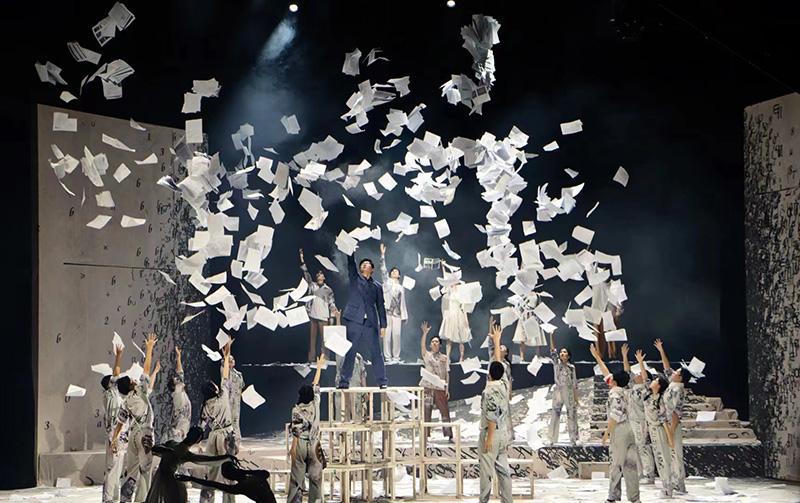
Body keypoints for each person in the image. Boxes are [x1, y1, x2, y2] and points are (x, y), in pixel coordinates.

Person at [589, 343, 640, 503]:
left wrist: (606, 433)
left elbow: (615, 416)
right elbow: (615, 374)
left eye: (612, 379)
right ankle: (635, 498)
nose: (609, 380)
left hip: (620, 430)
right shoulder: (628, 390)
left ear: (615, 382)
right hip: (632, 428)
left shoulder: (615, 394)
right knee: (631, 465)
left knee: (616, 464)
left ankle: (612, 497)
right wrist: (597, 357)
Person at [111, 333, 159, 503]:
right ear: (131, 384)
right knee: (145, 469)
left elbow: (120, 422)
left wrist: (114, 439)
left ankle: (125, 499)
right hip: (145, 433)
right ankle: (144, 499)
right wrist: (149, 348)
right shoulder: (139, 390)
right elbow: (146, 369)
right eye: (131, 379)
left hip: (132, 435)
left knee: (131, 471)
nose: (133, 379)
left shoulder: (125, 400)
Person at [337, 252, 388, 389]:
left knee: (376, 352)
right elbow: (351, 265)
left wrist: (383, 325)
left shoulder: (377, 286)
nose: (365, 265)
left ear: (372, 269)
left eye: (368, 264)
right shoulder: (355, 279)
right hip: (355, 320)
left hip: (370, 323)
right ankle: (344, 382)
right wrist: (350, 251)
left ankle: (382, 381)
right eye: (363, 264)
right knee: (351, 352)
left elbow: (380, 305)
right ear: (360, 269)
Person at [144, 427, 235, 503]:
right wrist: (226, 457)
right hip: (169, 481)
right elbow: (207, 459)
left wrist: (226, 457)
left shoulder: (174, 446)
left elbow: (207, 459)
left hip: (166, 479)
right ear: (197, 441)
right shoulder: (178, 449)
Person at [198, 340, 237, 503]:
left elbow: (201, 427)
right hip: (226, 436)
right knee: (229, 471)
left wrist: (198, 444)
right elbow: (225, 376)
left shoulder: (206, 405)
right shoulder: (223, 397)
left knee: (211, 472)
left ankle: (206, 501)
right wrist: (226, 357)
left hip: (213, 438)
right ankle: (229, 501)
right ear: (214, 389)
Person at [478, 322, 512, 503]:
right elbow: (499, 365)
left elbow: (491, 416)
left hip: (492, 433)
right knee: (503, 471)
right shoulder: (504, 385)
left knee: (486, 472)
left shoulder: (489, 391)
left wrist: (489, 438)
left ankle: (483, 501)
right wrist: (497, 341)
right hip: (504, 433)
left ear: (489, 375)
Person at [635, 350, 674, 498]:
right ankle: (665, 487)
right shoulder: (649, 395)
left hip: (659, 430)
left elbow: (663, 419)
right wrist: (640, 362)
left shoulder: (660, 400)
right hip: (651, 429)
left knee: (663, 458)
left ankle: (668, 488)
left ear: (659, 386)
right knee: (658, 458)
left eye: (656, 380)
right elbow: (645, 379)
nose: (652, 381)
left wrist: (669, 437)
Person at [288, 355, 325, 503]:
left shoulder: (296, 410)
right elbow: (316, 384)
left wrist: (293, 448)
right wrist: (319, 367)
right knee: (316, 479)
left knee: (297, 478)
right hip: (314, 444)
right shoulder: (315, 404)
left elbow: (296, 431)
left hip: (301, 445)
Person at [654, 339, 686, 494]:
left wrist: (671, 432)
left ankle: (679, 484)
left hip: (672, 425)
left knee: (675, 454)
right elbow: (667, 368)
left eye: (677, 373)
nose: (673, 373)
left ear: (680, 378)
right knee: (670, 454)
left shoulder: (677, 390)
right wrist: (661, 351)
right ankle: (673, 482)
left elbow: (676, 412)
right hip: (667, 424)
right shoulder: (672, 385)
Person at [621, 344, 656, 484]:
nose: (636, 374)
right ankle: (640, 473)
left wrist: (641, 363)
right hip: (631, 420)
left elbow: (646, 378)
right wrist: (624, 356)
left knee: (643, 447)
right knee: (636, 448)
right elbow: (627, 372)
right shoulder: (632, 387)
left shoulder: (646, 389)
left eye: (639, 373)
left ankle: (649, 475)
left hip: (641, 420)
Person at [299, 249, 336, 362]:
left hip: (323, 316)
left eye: (321, 274)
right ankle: (311, 359)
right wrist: (302, 260)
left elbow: (332, 303)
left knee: (324, 339)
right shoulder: (313, 286)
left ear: (324, 277)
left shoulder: (328, 290)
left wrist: (332, 317)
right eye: (317, 274)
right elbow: (306, 275)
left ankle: (325, 358)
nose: (318, 275)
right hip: (313, 315)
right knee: (312, 339)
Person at [177, 462, 277, 503]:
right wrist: (242, 471)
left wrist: (191, 478)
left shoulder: (242, 487)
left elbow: (213, 484)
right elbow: (265, 473)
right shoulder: (257, 477)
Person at [419, 321, 453, 442]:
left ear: (440, 345)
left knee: (445, 411)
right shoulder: (427, 356)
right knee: (426, 412)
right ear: (430, 345)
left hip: (439, 387)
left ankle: (449, 435)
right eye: (433, 342)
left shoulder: (444, 358)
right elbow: (422, 346)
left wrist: (447, 389)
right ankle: (425, 436)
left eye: (437, 342)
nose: (434, 343)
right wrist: (425, 333)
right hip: (428, 387)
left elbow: (447, 373)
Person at [331, 308, 367, 421]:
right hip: (342, 387)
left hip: (355, 388)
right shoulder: (340, 353)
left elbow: (363, 374)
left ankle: (357, 431)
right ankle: (341, 431)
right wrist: (337, 318)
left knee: (357, 415)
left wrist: (365, 391)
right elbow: (338, 336)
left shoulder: (358, 357)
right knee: (342, 414)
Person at [547, 331, 578, 446]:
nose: (562, 354)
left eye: (565, 352)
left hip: (568, 391)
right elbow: (553, 351)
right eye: (561, 352)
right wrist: (551, 336)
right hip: (558, 390)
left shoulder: (571, 368)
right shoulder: (557, 364)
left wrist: (576, 398)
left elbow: (574, 383)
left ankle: (574, 438)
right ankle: (552, 438)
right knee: (555, 413)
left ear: (568, 356)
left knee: (572, 414)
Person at [103, 344, 125, 503]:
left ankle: (114, 497)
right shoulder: (111, 394)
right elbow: (116, 373)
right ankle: (109, 499)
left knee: (117, 469)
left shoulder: (110, 395)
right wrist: (118, 356)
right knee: (113, 468)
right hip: (114, 435)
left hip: (117, 434)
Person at [380, 243, 408, 363]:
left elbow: (403, 303)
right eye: (393, 271)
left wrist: (404, 316)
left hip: (397, 314)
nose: (394, 272)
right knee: (386, 336)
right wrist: (383, 256)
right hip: (387, 312)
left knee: (397, 335)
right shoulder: (387, 282)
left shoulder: (401, 288)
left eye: (396, 271)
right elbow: (383, 270)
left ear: (399, 275)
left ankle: (396, 357)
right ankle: (387, 357)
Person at [487, 316, 514, 441]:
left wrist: (510, 392)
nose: (500, 348)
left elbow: (509, 379)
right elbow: (491, 343)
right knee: (491, 411)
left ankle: (508, 435)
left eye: (503, 348)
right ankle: (492, 434)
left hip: (502, 389)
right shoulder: (493, 357)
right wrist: (490, 326)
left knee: (504, 411)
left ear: (506, 353)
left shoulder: (506, 364)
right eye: (500, 347)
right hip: (492, 388)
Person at [438, 264, 472, 363]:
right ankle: (447, 357)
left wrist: (466, 319)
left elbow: (464, 307)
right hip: (450, 315)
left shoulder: (461, 293)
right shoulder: (449, 291)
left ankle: (461, 357)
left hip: (458, 314)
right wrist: (443, 266)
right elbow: (445, 278)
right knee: (449, 337)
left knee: (461, 338)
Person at [591, 267, 623, 359]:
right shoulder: (596, 283)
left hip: (609, 311)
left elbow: (620, 300)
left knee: (610, 334)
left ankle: (612, 356)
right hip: (597, 310)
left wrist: (618, 311)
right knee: (598, 335)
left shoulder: (614, 284)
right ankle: (599, 357)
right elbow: (589, 269)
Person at [511, 290, 547, 361]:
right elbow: (519, 305)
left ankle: (538, 356)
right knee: (523, 337)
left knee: (537, 336)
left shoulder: (537, 295)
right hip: (525, 315)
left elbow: (539, 305)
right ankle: (522, 357)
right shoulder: (524, 294)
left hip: (534, 315)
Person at [166, 347, 191, 443]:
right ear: (174, 387)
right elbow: (180, 374)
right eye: (176, 381)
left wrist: (179, 357)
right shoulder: (177, 393)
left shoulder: (181, 392)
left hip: (183, 425)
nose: (179, 380)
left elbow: (180, 374)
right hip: (178, 427)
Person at [223, 351, 245, 457]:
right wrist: (226, 355)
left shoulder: (238, 374)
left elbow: (241, 387)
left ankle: (237, 441)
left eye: (232, 360)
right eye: (229, 360)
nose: (232, 362)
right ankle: (229, 442)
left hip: (236, 400)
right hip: (228, 399)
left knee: (236, 420)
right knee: (229, 420)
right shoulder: (226, 373)